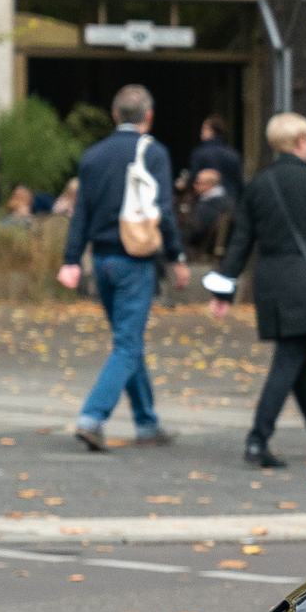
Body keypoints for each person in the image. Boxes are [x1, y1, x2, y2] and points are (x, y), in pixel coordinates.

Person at [204, 111, 306, 469]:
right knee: (289, 359)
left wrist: (224, 291)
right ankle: (257, 439)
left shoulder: (259, 184)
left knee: (297, 357)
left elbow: (240, 241)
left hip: (269, 280)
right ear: (302, 142)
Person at [58, 84, 189, 452]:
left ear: (115, 116)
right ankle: (92, 417)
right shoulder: (156, 153)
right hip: (136, 260)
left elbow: (80, 213)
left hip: (101, 260)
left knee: (127, 343)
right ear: (148, 117)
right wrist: (177, 257)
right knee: (128, 345)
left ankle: (147, 423)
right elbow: (163, 211)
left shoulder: (93, 156)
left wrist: (71, 259)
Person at [186, 167, 235, 257]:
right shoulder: (229, 201)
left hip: (203, 251)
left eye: (198, 182)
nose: (194, 185)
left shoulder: (214, 204)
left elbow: (197, 228)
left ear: (210, 184)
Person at [191, 115, 245, 193]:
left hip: (207, 201)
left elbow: (194, 178)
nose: (201, 133)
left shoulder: (200, 153)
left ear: (212, 131)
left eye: (204, 129)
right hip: (231, 200)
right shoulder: (233, 154)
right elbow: (239, 183)